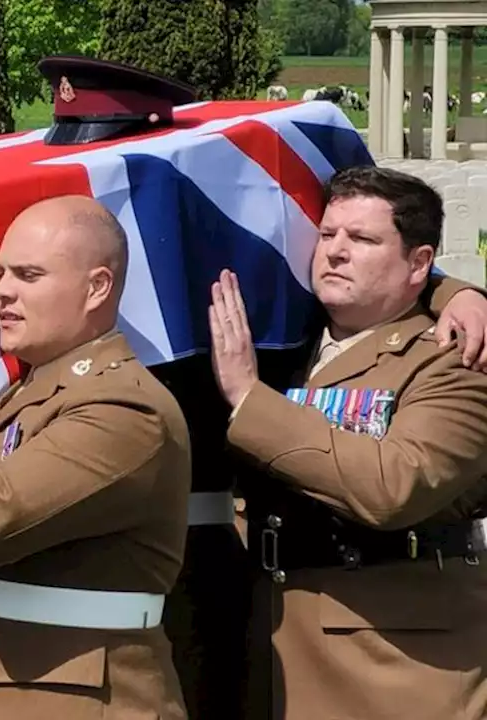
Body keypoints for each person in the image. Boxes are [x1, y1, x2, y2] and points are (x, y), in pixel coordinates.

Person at [209, 165, 487, 720]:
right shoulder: (287, 336)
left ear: (419, 263)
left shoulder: (454, 358)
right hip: (274, 640)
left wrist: (249, 398)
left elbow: (395, 485)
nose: (334, 252)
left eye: (361, 239)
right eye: (328, 234)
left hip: (393, 655)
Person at [0, 195, 191, 719]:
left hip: (62, 699)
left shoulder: (123, 408)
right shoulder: (32, 392)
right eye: (1, 272)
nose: (1, 291)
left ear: (97, 287)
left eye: (29, 275)